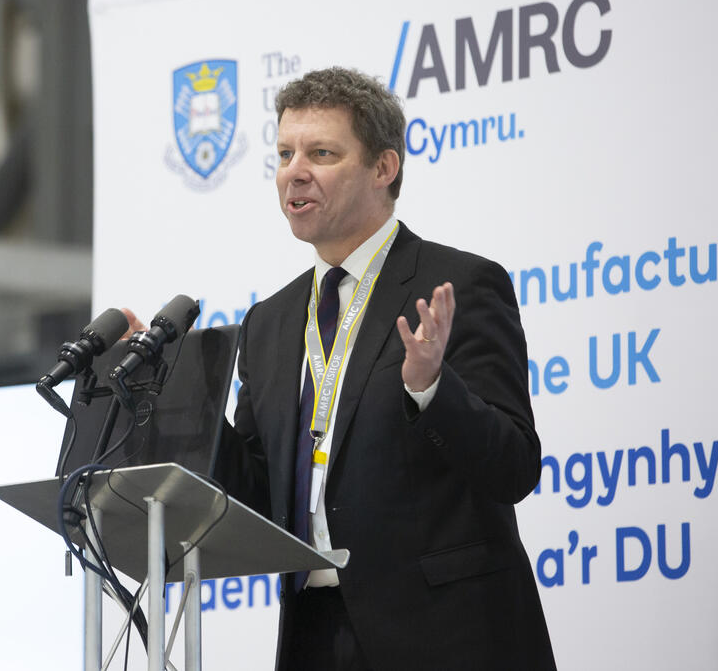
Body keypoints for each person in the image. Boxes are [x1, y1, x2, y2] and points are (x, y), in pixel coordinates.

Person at [211, 67, 557, 670]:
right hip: (314, 638)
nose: (295, 171)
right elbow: (256, 494)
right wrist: (172, 403)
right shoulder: (268, 322)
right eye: (285, 153)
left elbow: (514, 468)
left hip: (447, 638)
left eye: (321, 152)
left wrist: (432, 388)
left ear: (383, 168)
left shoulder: (460, 285)